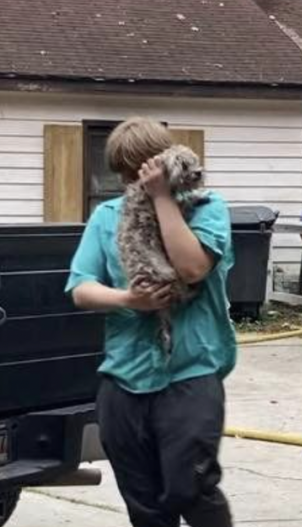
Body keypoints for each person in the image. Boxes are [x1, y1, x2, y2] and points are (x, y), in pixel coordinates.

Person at [66, 117, 235, 527]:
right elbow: (80, 287)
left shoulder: (207, 208)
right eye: (125, 172)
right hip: (124, 378)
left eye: (139, 169)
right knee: (143, 503)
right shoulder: (107, 216)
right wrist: (129, 299)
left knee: (190, 487)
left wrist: (162, 198)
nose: (132, 180)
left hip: (190, 373)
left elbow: (192, 267)